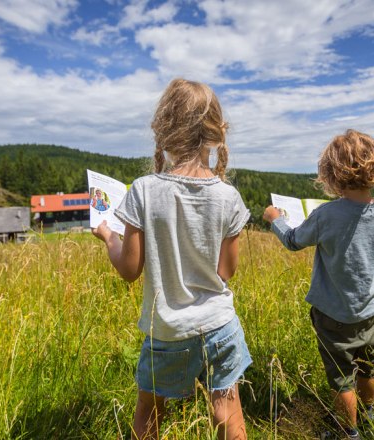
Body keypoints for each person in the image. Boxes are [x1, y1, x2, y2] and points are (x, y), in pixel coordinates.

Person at [92, 78, 252, 440]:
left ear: (163, 127)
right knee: (227, 413)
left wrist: (108, 237)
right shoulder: (229, 197)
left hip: (167, 331)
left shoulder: (144, 191)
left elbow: (129, 270)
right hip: (220, 325)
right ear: (215, 132)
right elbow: (226, 272)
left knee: (149, 413)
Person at [262, 129, 374, 440]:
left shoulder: (326, 214)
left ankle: (348, 432)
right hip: (369, 310)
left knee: (341, 379)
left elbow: (294, 241)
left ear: (332, 173)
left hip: (333, 315)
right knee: (367, 367)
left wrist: (275, 219)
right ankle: (368, 414)